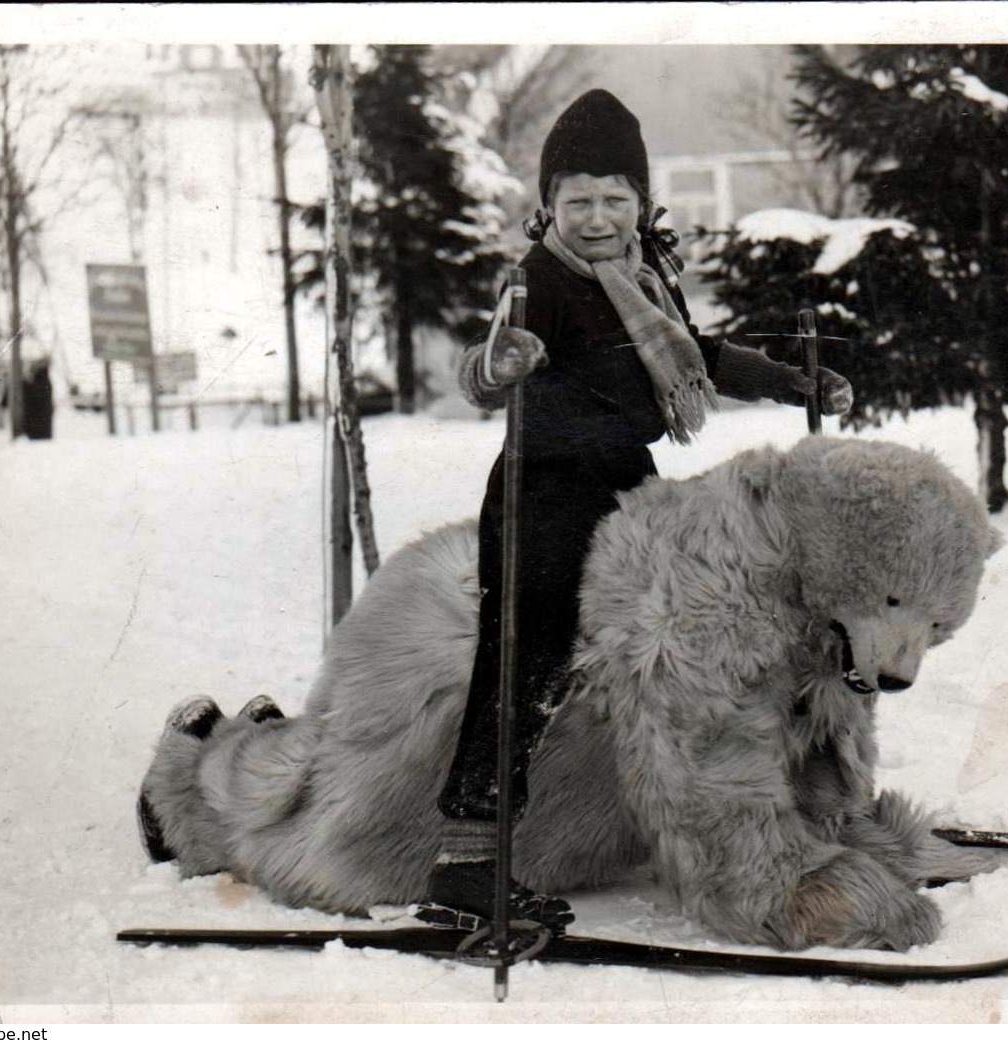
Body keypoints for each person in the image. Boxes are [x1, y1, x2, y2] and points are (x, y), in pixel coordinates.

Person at [426, 89, 854, 929]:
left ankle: (742, 817)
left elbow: (695, 354)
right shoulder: (538, 279)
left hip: (625, 488)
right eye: (575, 200)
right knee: (529, 660)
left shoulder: (646, 277)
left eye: (612, 199)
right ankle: (468, 859)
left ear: (640, 204)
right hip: (543, 496)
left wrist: (786, 380)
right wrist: (501, 361)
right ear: (546, 207)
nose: (594, 217)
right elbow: (482, 369)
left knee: (681, 652)